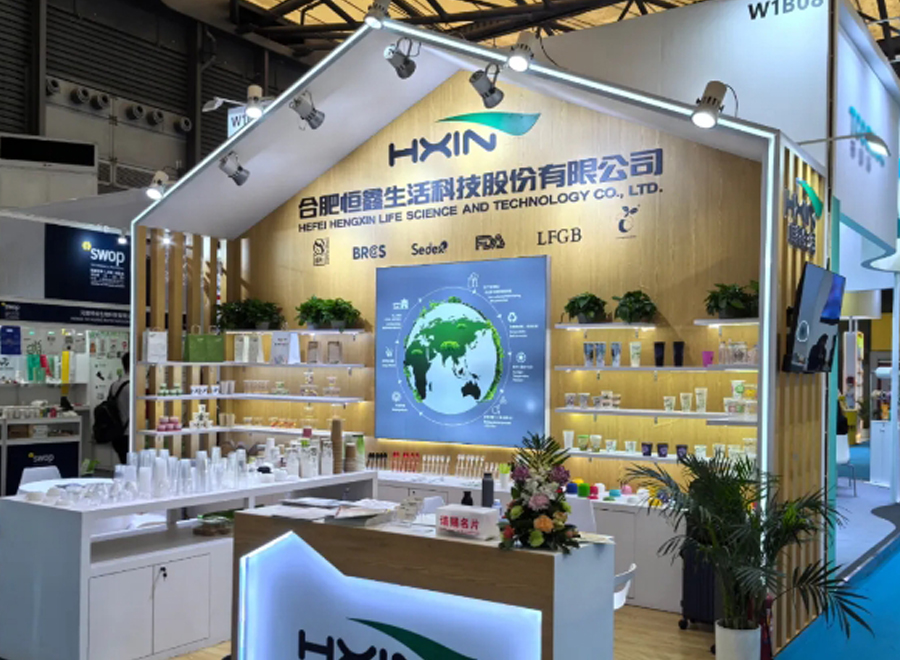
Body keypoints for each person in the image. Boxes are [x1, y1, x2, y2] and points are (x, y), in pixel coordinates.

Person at [108, 352, 130, 463]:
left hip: (117, 433)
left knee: (124, 464)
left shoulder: (114, 385)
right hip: (129, 434)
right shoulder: (133, 386)